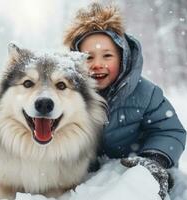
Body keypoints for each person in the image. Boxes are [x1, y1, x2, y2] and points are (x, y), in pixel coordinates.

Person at [63, 2, 186, 199]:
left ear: (123, 58)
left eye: (107, 56)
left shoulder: (145, 93)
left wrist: (155, 158)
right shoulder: (69, 97)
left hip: (137, 167)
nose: (97, 64)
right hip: (89, 176)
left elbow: (169, 130)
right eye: (88, 57)